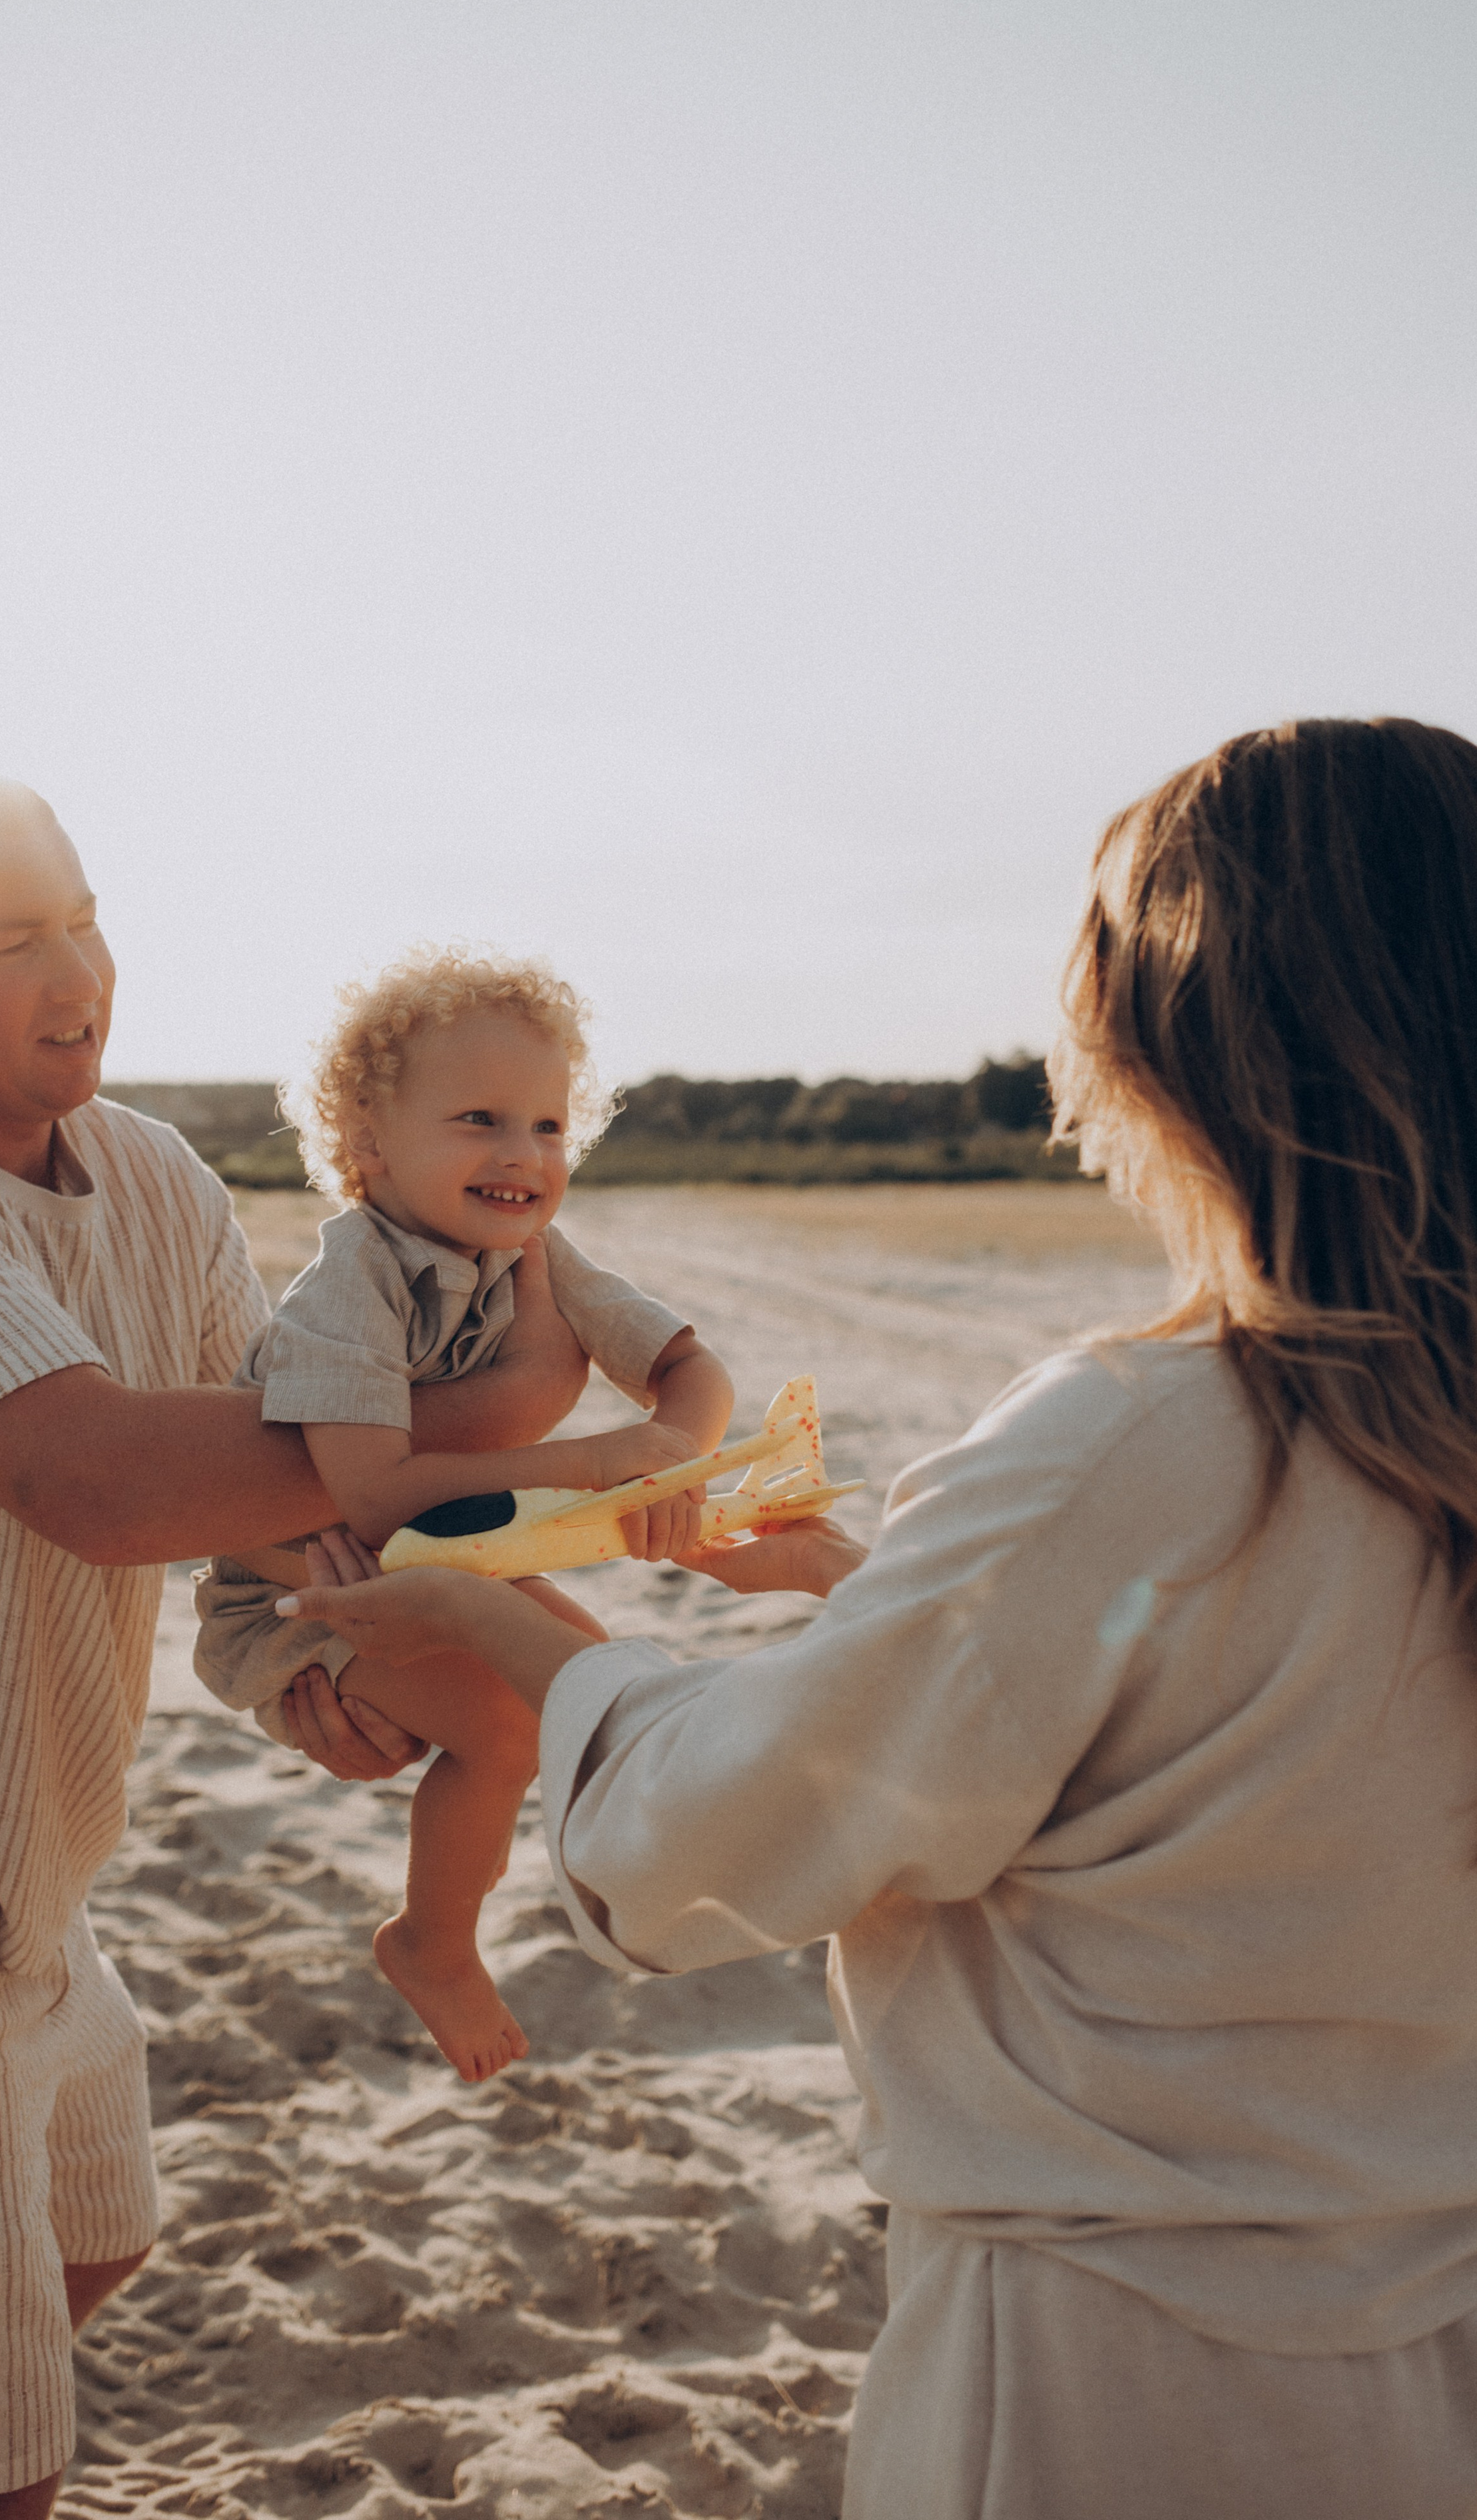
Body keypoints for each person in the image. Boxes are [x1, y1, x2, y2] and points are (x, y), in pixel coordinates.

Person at [276, 717, 1477, 2519]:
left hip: (1120, 2369)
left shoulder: (1141, 1437)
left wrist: (525, 1630)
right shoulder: (1410, 1429)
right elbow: (1235, 1742)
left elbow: (724, 1844)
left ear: (1159, 1045)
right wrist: (858, 1588)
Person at [0, 760, 586, 2520]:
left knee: (92, 2250)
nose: (78, 972)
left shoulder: (147, 1174)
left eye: (85, 918)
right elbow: (98, 1482)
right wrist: (554, 1444)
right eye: (13, 939)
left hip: (42, 1883)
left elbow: (270, 1503)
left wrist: (304, 1681)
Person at [193, 947, 731, 2080]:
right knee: (502, 1730)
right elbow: (371, 1496)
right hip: (307, 1578)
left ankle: (639, 1892)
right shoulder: (351, 1282)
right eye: (480, 1118)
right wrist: (593, 1462)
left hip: (442, 1560)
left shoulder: (534, 1252)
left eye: (547, 1125)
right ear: (369, 1142)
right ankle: (432, 1942)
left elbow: (690, 1371)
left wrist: (675, 1458)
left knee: (598, 1682)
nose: (521, 1155)